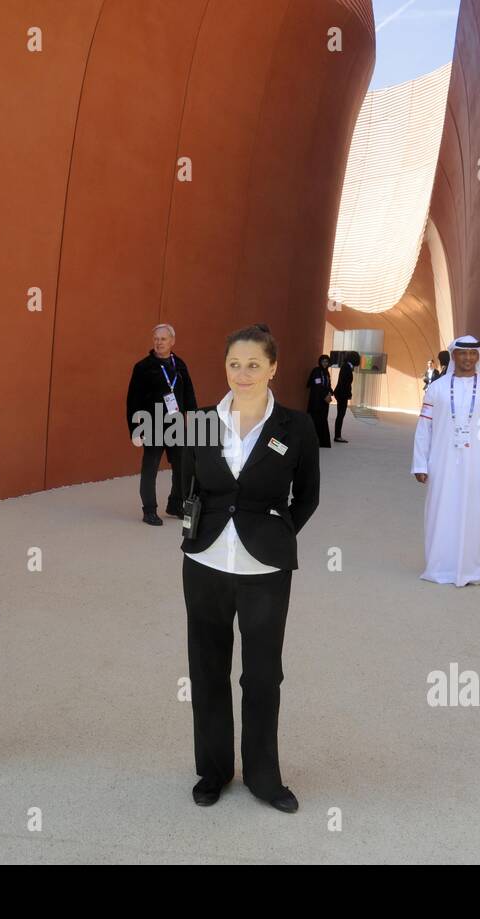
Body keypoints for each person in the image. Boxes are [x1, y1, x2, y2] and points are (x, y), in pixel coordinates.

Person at [180, 323, 320, 813]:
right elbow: (184, 489)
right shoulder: (197, 421)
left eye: (254, 365)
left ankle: (264, 777)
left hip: (265, 568)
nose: (243, 374)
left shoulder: (296, 427)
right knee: (207, 669)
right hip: (205, 562)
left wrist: (274, 534)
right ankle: (213, 771)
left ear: (273, 367)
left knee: (262, 676)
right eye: (235, 364)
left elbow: (307, 497)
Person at [411, 335, 480, 586]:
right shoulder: (436, 389)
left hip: (477, 464)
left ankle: (471, 569)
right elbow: (424, 428)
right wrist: (420, 462)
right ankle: (439, 567)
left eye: (473, 354)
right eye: (462, 353)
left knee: (473, 513)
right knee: (440, 511)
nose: (468, 358)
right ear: (454, 356)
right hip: (441, 462)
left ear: (478, 357)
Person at [126, 324, 198, 525]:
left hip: (176, 424)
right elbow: (133, 401)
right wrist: (135, 430)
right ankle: (149, 510)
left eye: (163, 339)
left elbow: (189, 395)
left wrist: (193, 422)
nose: (159, 342)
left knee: (181, 467)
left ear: (172, 341)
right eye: (156, 339)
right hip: (152, 424)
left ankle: (175, 504)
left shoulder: (180, 365)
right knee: (150, 468)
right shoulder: (142, 367)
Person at [305, 354, 333, 448]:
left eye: (326, 362)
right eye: (323, 361)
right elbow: (317, 385)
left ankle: (322, 442)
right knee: (315, 420)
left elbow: (328, 385)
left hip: (324, 402)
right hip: (316, 401)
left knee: (323, 420)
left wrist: (330, 392)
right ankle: (313, 442)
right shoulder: (316, 371)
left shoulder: (326, 372)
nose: (325, 363)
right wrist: (326, 394)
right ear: (320, 362)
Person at [332, 353, 355, 442]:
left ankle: (338, 436)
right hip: (342, 394)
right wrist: (348, 394)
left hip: (341, 393)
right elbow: (345, 383)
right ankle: (337, 436)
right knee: (340, 415)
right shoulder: (346, 367)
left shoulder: (347, 366)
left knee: (340, 415)